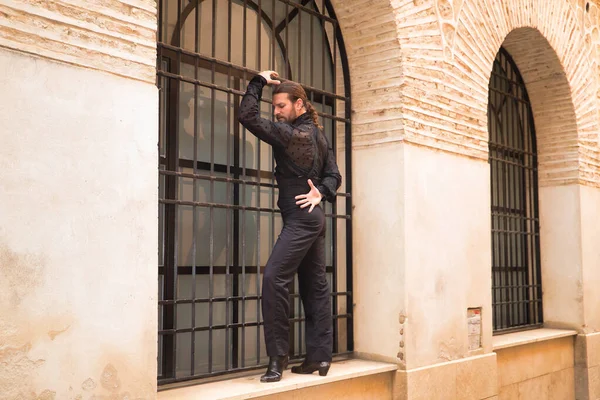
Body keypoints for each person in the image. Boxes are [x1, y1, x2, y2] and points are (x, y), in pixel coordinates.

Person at [238, 70, 342, 383]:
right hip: (313, 218)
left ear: (299, 105)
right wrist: (321, 192)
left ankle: (278, 357)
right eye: (275, 107)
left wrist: (257, 82)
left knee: (273, 278)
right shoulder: (319, 136)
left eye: (281, 105)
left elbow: (247, 115)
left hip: (301, 219)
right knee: (315, 287)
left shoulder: (289, 134)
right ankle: (319, 357)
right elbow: (334, 176)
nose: (277, 111)